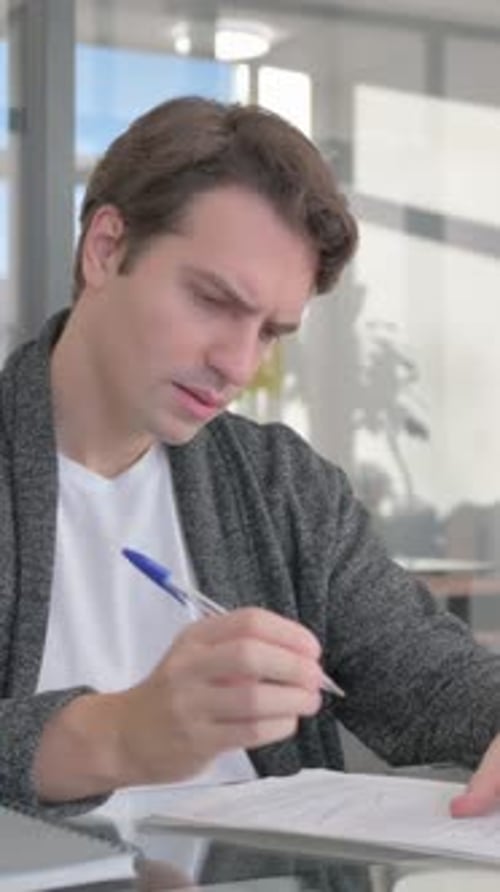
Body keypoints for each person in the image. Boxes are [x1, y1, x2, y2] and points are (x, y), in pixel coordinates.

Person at [0, 96, 499, 819]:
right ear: (106, 249)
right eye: (212, 300)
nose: (238, 365)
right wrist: (116, 736)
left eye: (270, 332)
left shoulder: (281, 487)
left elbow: (428, 677)